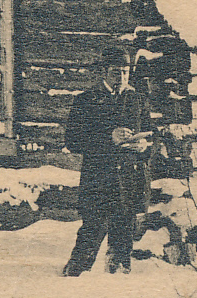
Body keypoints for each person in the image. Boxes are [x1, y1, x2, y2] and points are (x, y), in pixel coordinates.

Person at [62, 46, 153, 277]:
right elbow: (73, 141)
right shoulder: (86, 100)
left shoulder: (137, 99)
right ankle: (74, 275)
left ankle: (118, 274)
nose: (121, 77)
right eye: (115, 72)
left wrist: (144, 146)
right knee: (93, 228)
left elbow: (151, 134)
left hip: (129, 177)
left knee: (125, 229)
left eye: (125, 72)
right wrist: (108, 138)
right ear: (103, 72)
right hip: (98, 178)